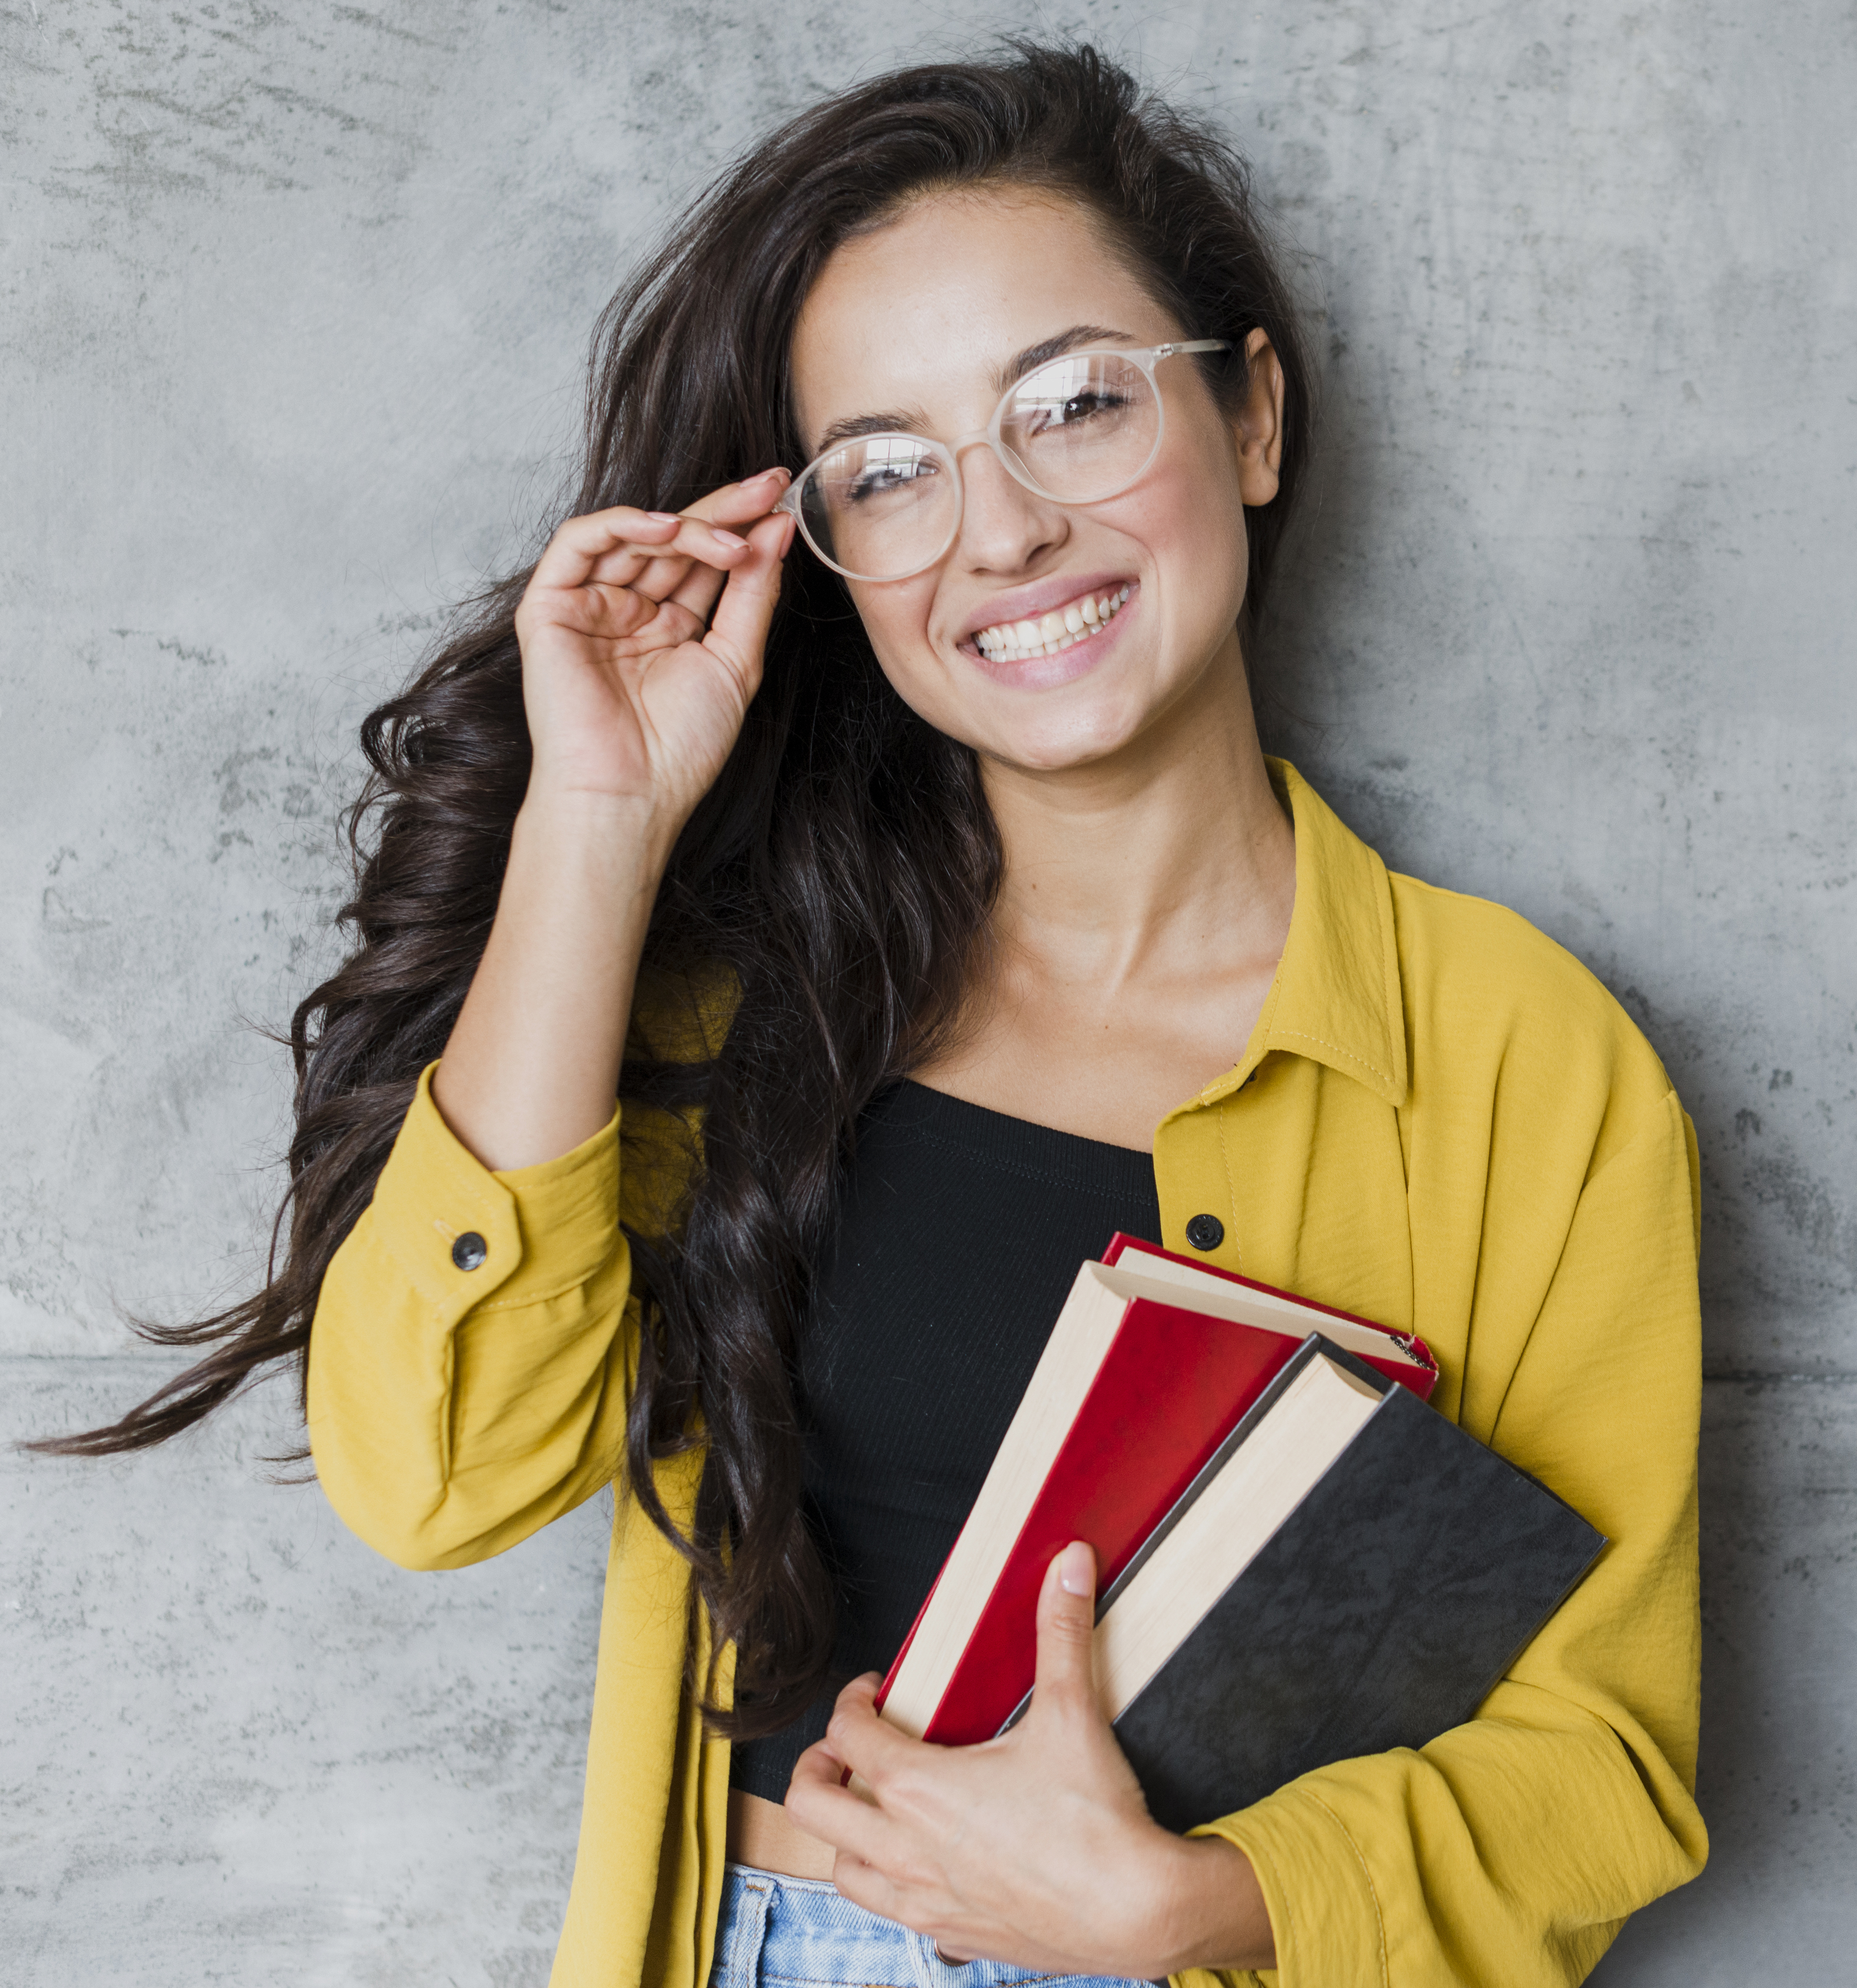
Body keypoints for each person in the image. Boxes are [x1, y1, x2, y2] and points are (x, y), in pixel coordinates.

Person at [48, 42, 1705, 1988]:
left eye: (1073, 406)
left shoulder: (1524, 1058)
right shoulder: (731, 1011)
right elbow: (435, 1476)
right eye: (891, 471)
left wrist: (1197, 1901)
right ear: (827, 554)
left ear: (1254, 415)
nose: (996, 532)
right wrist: (598, 823)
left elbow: (1607, 1763)